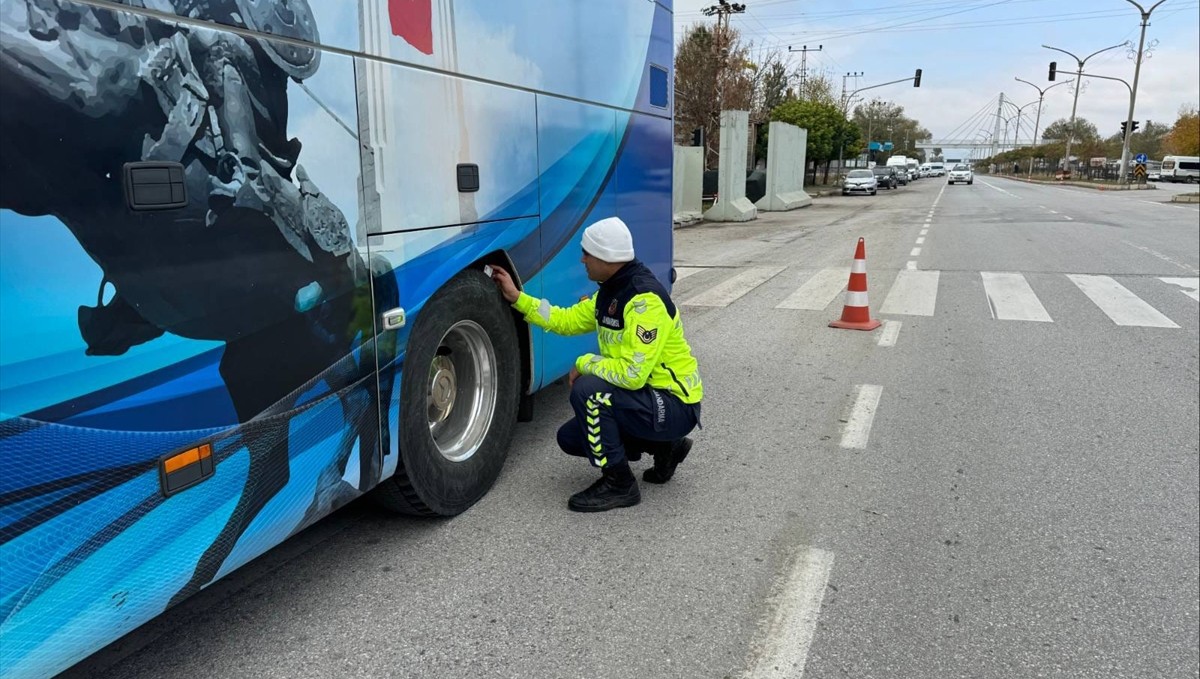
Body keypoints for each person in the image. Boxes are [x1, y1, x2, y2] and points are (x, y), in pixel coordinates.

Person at [489, 217, 703, 512]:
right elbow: (564, 320)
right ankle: (666, 447)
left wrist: (585, 363)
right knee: (572, 438)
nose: (582, 259)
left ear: (606, 258)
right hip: (647, 400)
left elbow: (632, 375)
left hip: (674, 404)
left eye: (586, 253)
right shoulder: (611, 291)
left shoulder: (644, 301)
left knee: (589, 391)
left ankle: (620, 484)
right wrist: (517, 297)